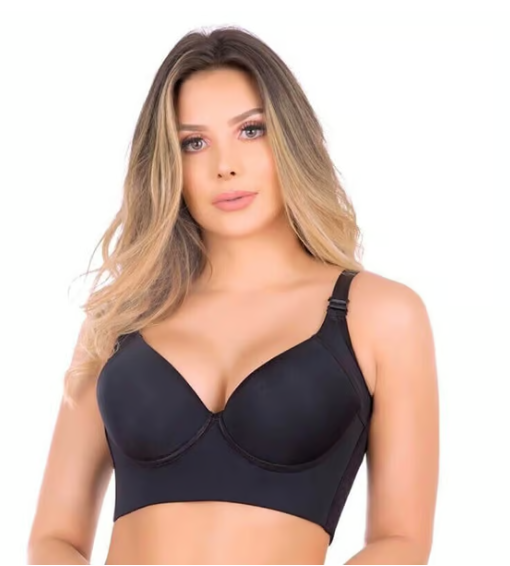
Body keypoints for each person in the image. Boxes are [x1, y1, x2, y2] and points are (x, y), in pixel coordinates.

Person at [27, 26, 439, 565]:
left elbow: (401, 540)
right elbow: (53, 537)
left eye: (250, 130)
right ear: (168, 163)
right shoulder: (118, 318)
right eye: (194, 142)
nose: (225, 165)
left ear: (291, 138)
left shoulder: (381, 315)